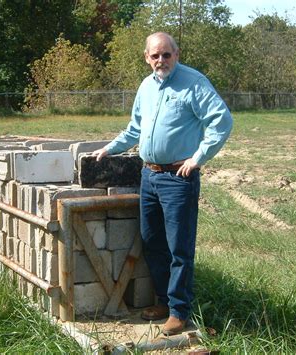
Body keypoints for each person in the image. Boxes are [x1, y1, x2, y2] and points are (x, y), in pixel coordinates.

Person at [93, 32, 233, 335]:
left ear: (176, 54)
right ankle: (163, 302)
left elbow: (222, 120)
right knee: (152, 242)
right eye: (155, 55)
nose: (161, 61)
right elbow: (135, 128)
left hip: (178, 178)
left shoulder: (194, 83)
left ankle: (179, 311)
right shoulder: (146, 86)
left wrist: (198, 157)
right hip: (150, 176)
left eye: (166, 55)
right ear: (146, 57)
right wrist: (110, 148)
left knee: (179, 248)